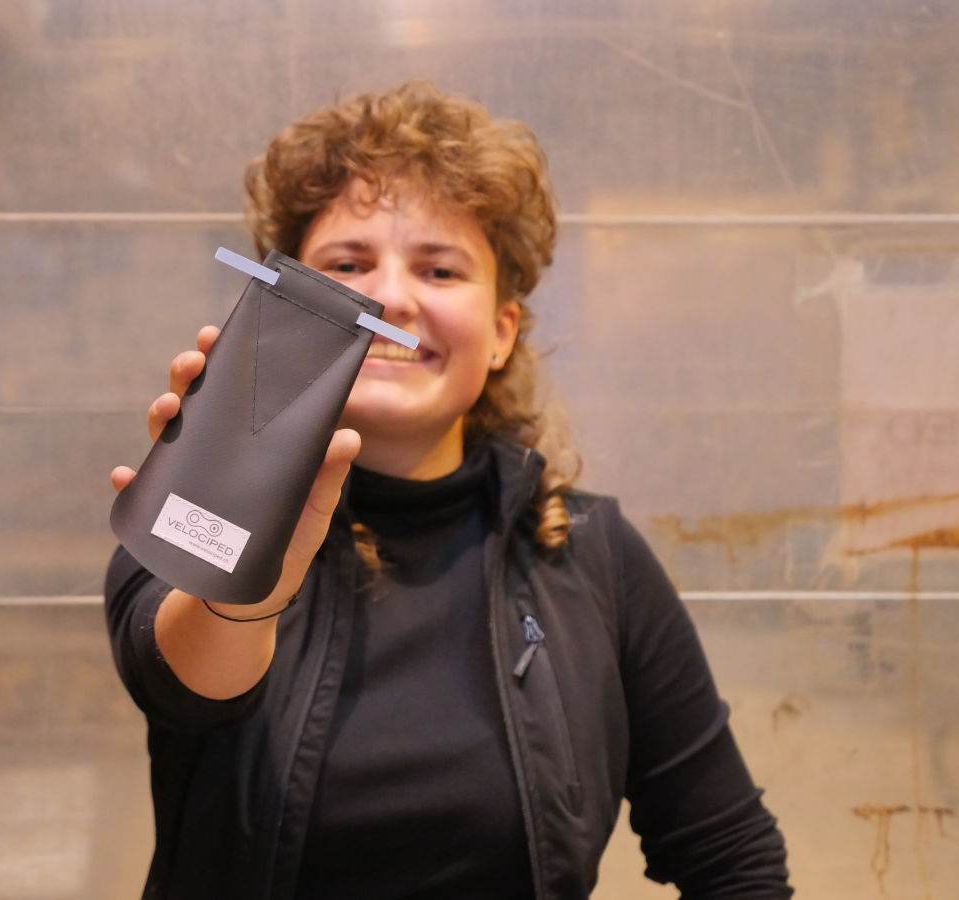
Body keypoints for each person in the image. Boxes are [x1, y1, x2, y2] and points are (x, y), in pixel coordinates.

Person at [105, 81, 791, 899]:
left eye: (439, 268)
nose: (390, 299)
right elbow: (182, 685)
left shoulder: (591, 555)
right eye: (347, 266)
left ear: (500, 333)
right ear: (283, 303)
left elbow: (732, 859)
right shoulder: (198, 506)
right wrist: (243, 582)